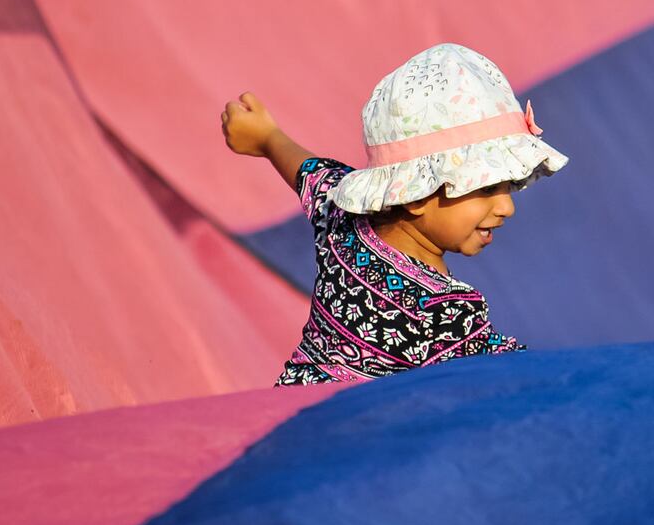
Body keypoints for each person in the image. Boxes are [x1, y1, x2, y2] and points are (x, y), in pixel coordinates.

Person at [222, 43, 568, 384]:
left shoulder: (341, 219)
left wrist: (267, 137)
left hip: (285, 411)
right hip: (357, 435)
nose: (507, 207)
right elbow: (521, 379)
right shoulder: (443, 311)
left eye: (508, 186)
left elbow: (309, 171)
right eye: (486, 189)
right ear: (416, 194)